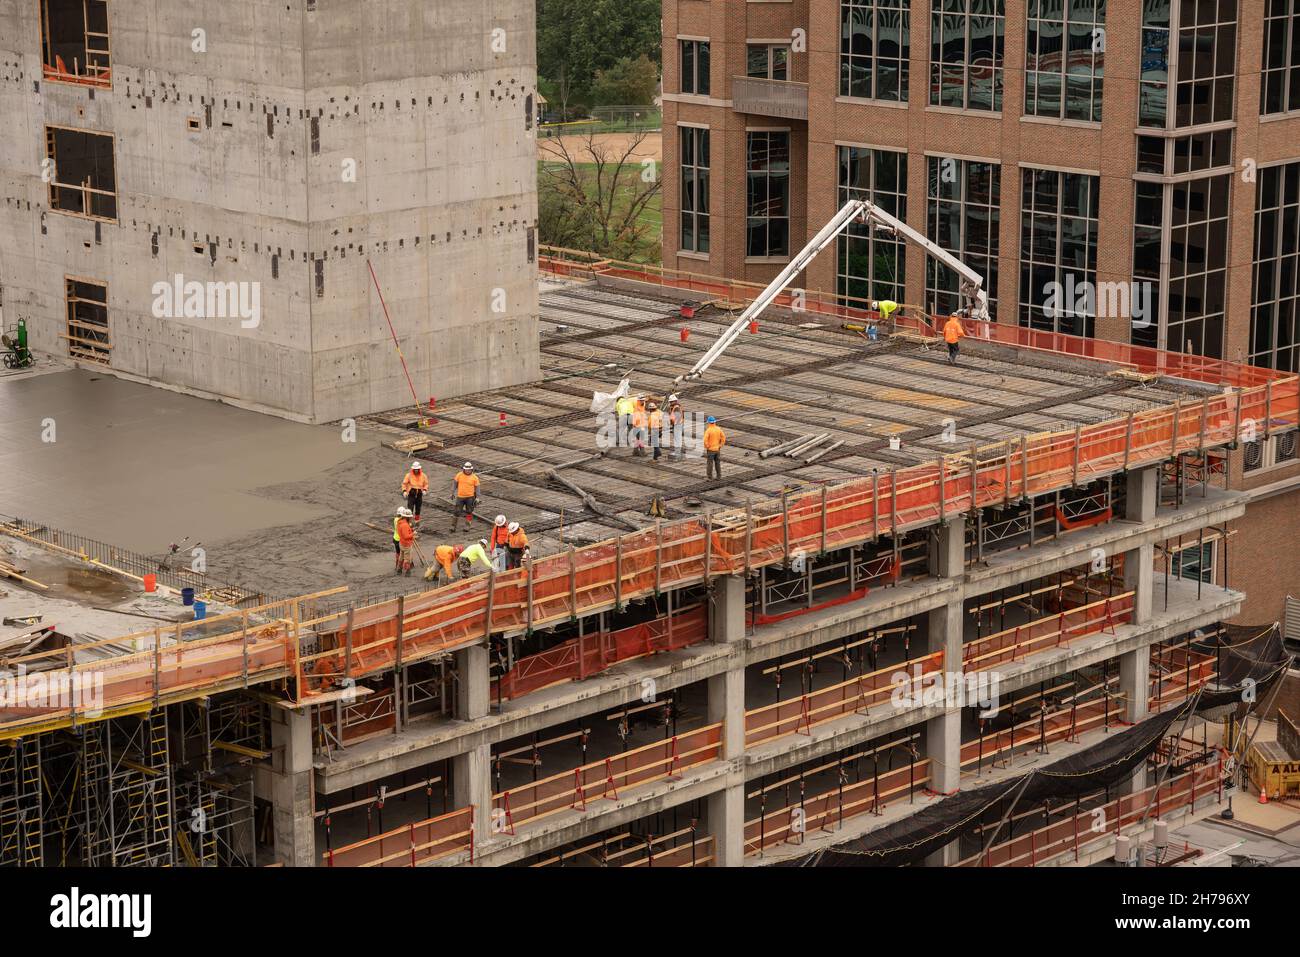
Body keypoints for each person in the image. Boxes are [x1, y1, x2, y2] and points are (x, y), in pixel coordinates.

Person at [450, 461, 480, 531]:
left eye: (469, 470)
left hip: (470, 497)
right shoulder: (459, 475)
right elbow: (454, 484)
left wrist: (478, 497)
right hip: (460, 497)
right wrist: (452, 493)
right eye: (466, 470)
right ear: (464, 469)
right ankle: (453, 526)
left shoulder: (475, 478)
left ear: (471, 470)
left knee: (469, 511)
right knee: (457, 511)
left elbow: (477, 488)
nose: (467, 471)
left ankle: (467, 526)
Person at [703, 415, 726, 480]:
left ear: (709, 422)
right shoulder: (718, 429)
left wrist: (707, 446)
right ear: (714, 422)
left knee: (710, 464)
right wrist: (720, 445)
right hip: (717, 449)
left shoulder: (708, 430)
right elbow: (723, 437)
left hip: (710, 450)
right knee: (717, 463)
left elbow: (705, 440)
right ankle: (719, 476)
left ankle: (710, 477)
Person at [395, 508, 416, 576]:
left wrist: (410, 530)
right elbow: (406, 536)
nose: (411, 518)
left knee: (401, 556)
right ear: (407, 517)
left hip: (401, 543)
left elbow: (403, 533)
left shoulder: (400, 522)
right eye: (410, 517)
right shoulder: (405, 525)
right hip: (406, 544)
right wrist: (413, 534)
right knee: (407, 558)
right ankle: (407, 571)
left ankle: (399, 570)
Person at [391, 506, 410, 573]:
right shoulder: (401, 521)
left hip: (395, 538)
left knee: (398, 553)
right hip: (400, 539)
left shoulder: (396, 519)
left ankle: (397, 566)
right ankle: (404, 567)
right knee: (404, 553)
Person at [667, 394, 685, 459]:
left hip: (677, 425)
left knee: (677, 439)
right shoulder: (674, 407)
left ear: (675, 401)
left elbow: (676, 417)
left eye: (671, 402)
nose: (670, 403)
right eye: (670, 402)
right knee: (677, 439)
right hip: (677, 425)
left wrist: (674, 424)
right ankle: (678, 451)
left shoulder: (676, 407)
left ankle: (677, 452)